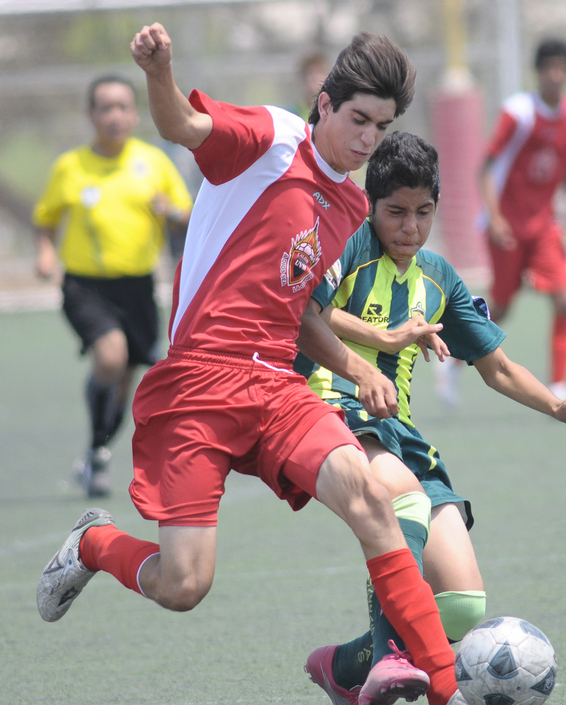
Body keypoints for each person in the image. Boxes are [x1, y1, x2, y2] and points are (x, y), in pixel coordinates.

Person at [37, 23, 467, 705]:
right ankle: (95, 543)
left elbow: (296, 310)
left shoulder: (352, 202)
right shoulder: (269, 139)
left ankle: (447, 689)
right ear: (325, 104)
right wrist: (158, 70)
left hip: (276, 386)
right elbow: (182, 123)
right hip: (199, 382)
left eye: (380, 127)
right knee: (182, 584)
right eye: (358, 119)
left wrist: (356, 367)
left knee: (372, 501)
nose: (366, 140)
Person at [295, 131, 566, 705]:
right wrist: (385, 338)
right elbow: (307, 313)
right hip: (331, 404)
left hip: (400, 430)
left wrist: (557, 407)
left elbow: (495, 367)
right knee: (401, 497)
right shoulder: (347, 244)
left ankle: (344, 666)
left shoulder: (440, 277)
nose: (409, 227)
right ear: (372, 206)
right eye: (395, 212)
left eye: (423, 213)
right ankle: (391, 657)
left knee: (463, 607)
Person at [33, 73, 193, 498]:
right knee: (111, 357)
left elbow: (187, 216)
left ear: (135, 114)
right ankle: (97, 451)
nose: (115, 116)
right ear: (91, 116)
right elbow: (45, 219)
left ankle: (97, 453)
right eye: (105, 108)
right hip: (85, 287)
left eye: (123, 107)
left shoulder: (154, 162)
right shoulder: (70, 167)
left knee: (126, 375)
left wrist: (171, 211)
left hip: (138, 289)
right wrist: (45, 252)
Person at [478, 37, 566, 401]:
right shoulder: (518, 113)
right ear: (539, 72)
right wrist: (494, 218)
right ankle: (452, 362)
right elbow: (485, 167)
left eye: (562, 68)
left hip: (544, 225)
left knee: (565, 299)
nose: (556, 75)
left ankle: (559, 384)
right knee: (502, 307)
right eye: (550, 68)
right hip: (507, 227)